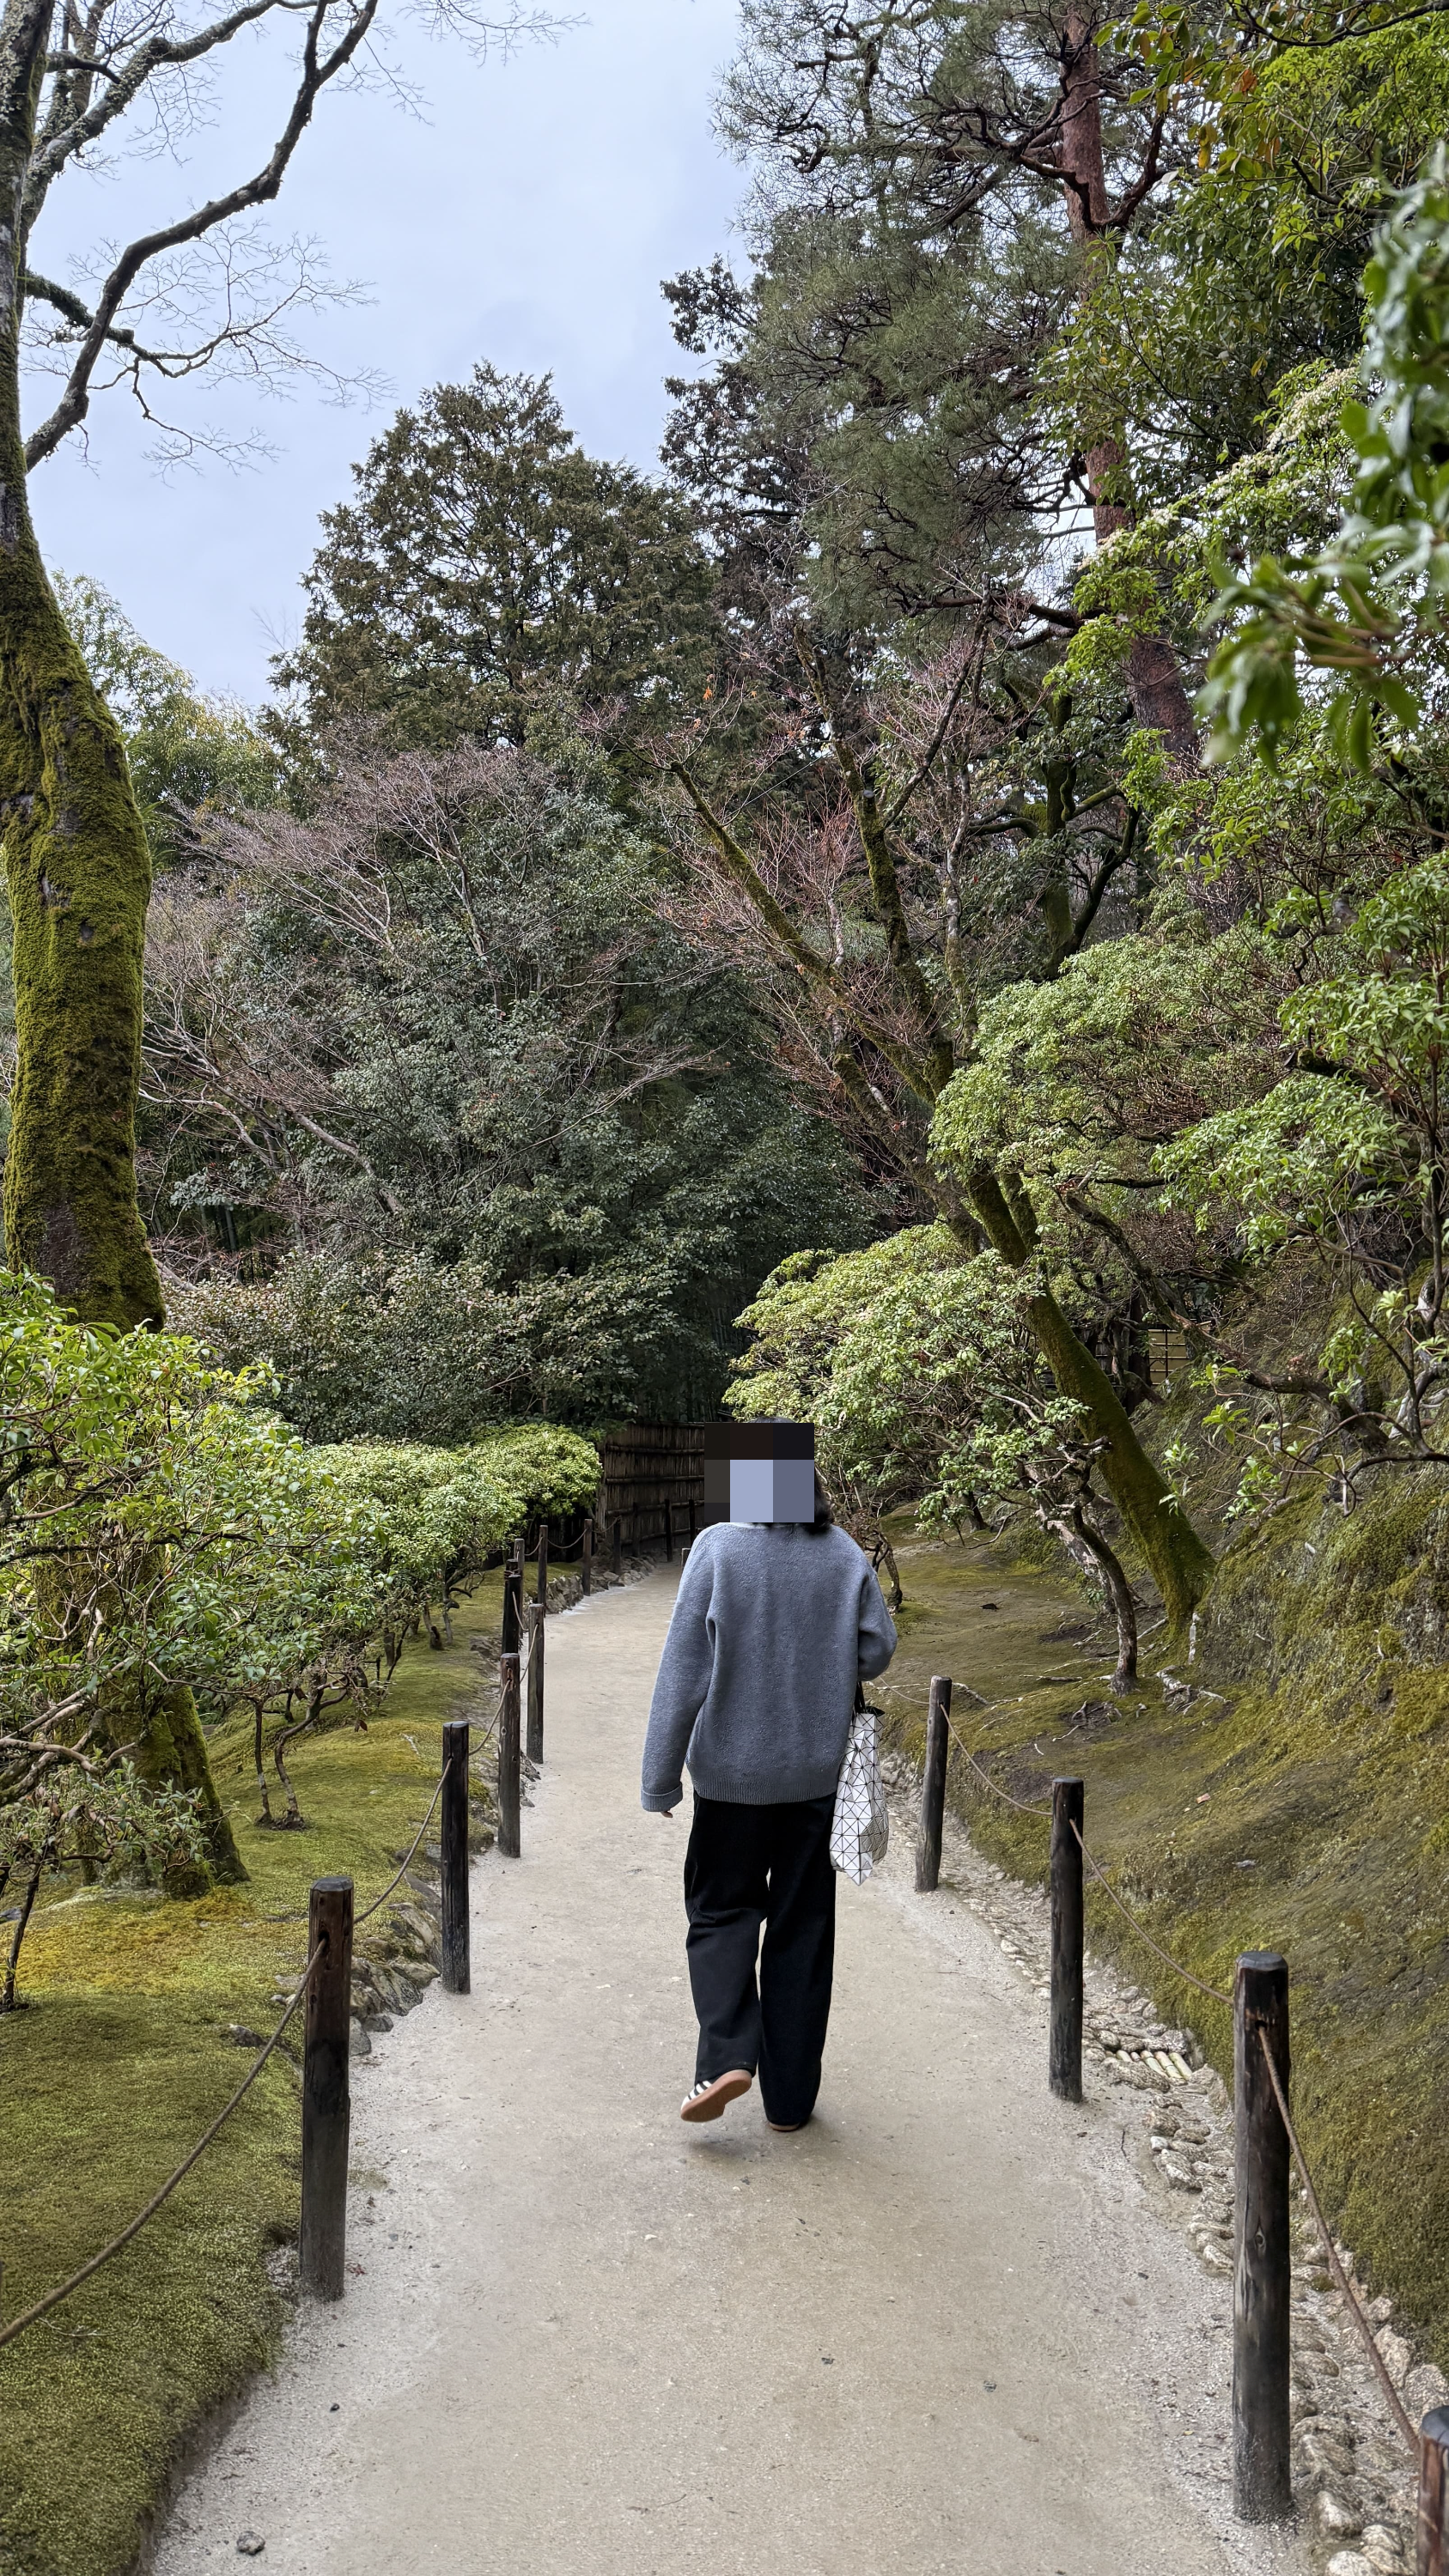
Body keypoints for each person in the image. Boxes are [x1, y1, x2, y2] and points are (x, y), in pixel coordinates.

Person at [640, 1475, 896, 2131]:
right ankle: (789, 2104)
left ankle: (726, 2055)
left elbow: (684, 1668)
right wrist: (820, 1656)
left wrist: (660, 1779)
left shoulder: (718, 1549)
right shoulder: (840, 1550)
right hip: (815, 1775)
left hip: (731, 1779)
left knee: (721, 1913)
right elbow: (876, 1651)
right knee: (802, 1929)